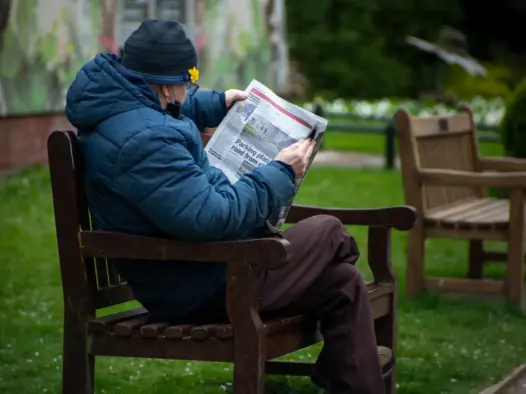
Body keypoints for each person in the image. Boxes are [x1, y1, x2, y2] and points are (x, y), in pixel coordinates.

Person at [65, 18, 392, 394]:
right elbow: (212, 217)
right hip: (195, 287)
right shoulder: (144, 142)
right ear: (168, 86)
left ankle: (349, 380)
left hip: (201, 269)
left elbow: (167, 114)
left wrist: (220, 103)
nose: (188, 91)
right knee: (329, 232)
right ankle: (343, 371)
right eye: (187, 84)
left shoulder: (121, 110)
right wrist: (281, 172)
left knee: (344, 283)